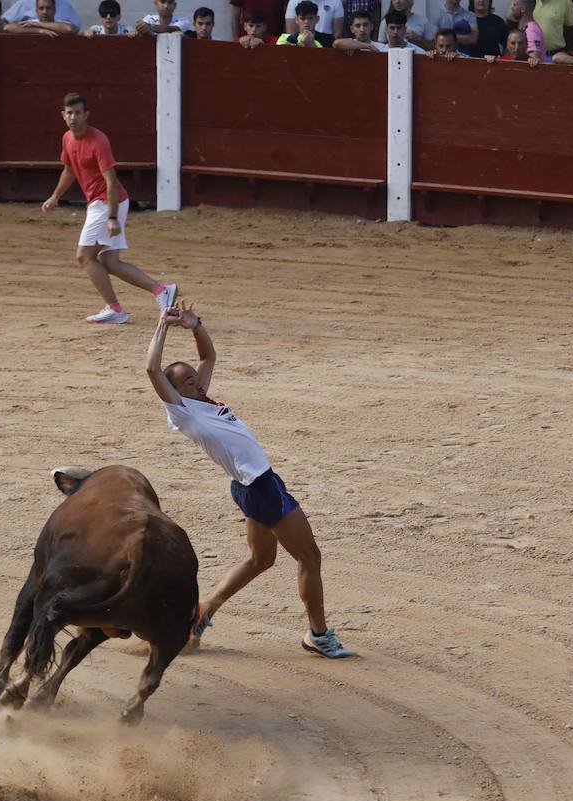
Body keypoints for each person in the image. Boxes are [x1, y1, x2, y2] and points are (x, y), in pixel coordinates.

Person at [146, 304, 356, 660]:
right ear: (174, 390)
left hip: (255, 484)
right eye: (187, 381)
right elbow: (152, 368)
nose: (196, 381)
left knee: (261, 560)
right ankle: (318, 636)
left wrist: (196, 325)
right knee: (310, 557)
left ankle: (203, 612)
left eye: (195, 379)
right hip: (260, 487)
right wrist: (163, 325)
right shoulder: (181, 410)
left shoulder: (201, 401)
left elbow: (208, 355)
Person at [42, 92, 178, 325]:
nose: (73, 117)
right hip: (102, 203)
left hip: (107, 203)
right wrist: (55, 196)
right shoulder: (67, 138)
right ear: (63, 115)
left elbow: (111, 181)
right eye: (70, 113)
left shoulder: (99, 141)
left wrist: (112, 217)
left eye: (78, 113)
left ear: (86, 115)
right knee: (111, 262)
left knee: (84, 256)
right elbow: (70, 170)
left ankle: (115, 309)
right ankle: (162, 291)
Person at [1, 0, 79, 28]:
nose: (44, 12)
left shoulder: (65, 4)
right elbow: (5, 24)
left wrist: (37, 24)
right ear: (36, 10)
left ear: (54, 9)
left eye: (48, 8)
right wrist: (37, 30)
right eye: (41, 8)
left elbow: (73, 29)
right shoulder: (24, 2)